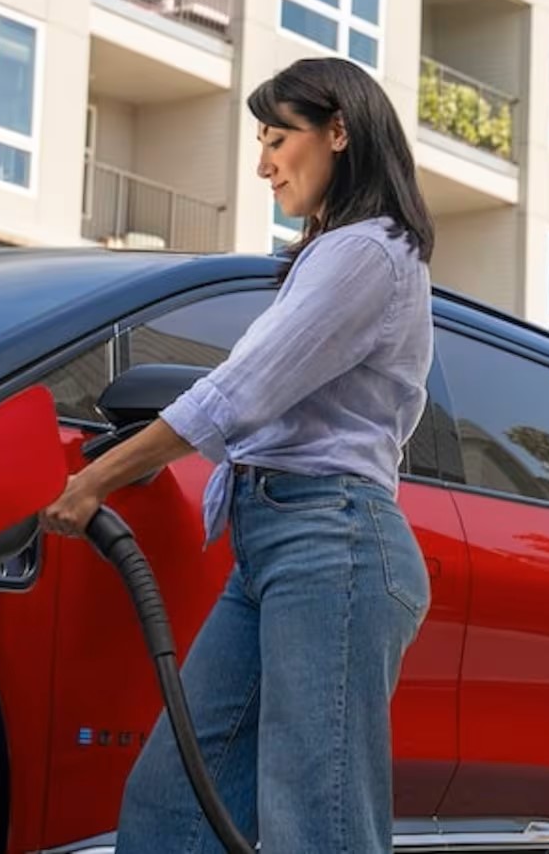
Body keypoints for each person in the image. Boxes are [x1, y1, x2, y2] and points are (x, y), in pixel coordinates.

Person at [39, 56, 436, 854]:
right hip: (273, 547)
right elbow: (251, 407)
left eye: (277, 136)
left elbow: (239, 392)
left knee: (317, 827)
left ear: (339, 131)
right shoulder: (332, 255)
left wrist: (97, 479)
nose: (262, 162)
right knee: (170, 808)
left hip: (334, 547)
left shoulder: (368, 252)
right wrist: (149, 456)